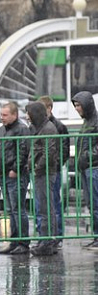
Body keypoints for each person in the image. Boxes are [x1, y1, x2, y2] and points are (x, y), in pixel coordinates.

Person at [0, 101, 31, 255]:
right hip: (3, 173)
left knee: (17, 209)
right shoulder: (2, 129)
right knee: (10, 209)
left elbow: (23, 150)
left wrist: (16, 169)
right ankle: (14, 241)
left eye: (5, 115)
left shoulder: (21, 129)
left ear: (14, 115)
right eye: (1, 114)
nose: (2, 118)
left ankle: (23, 242)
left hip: (15, 174)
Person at [26, 102, 59, 256]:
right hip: (41, 172)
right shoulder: (40, 128)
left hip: (45, 173)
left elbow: (49, 153)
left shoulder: (49, 129)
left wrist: (37, 167)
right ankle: (45, 240)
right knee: (44, 208)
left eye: (29, 113)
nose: (27, 117)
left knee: (46, 209)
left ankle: (47, 242)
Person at [37, 96, 69, 248]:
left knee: (54, 204)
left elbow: (63, 150)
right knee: (42, 205)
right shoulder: (39, 125)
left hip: (52, 170)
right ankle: (44, 236)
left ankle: (56, 236)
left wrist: (55, 164)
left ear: (49, 109)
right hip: (42, 170)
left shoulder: (58, 126)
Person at [72, 91, 98, 249]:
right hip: (86, 167)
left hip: (93, 167)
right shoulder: (87, 121)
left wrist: (87, 156)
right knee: (91, 204)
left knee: (96, 204)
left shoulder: (95, 121)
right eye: (75, 105)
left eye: (78, 105)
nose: (76, 108)